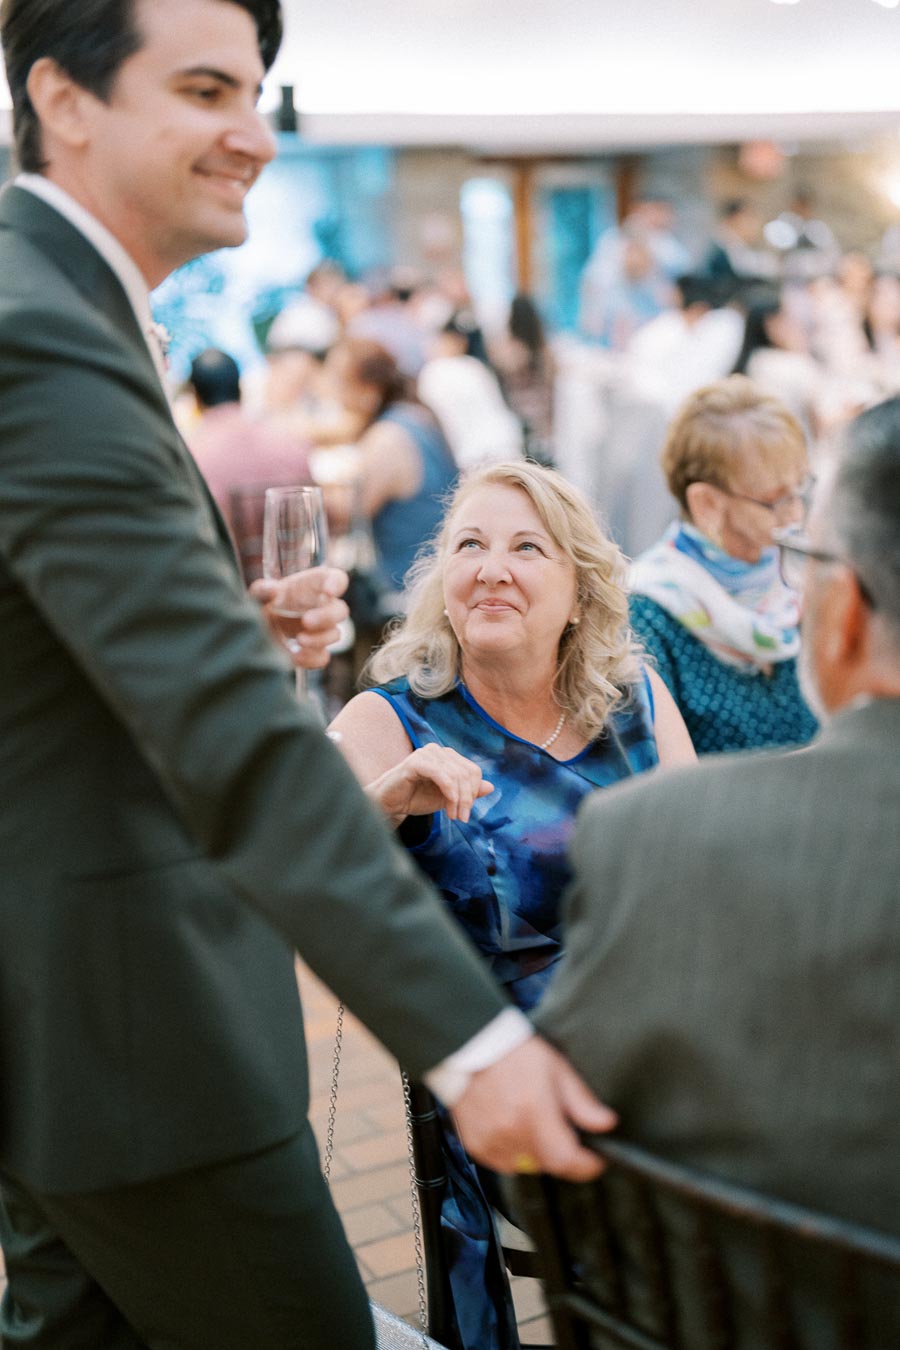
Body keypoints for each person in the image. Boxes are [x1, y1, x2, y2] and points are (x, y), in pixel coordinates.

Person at [0, 3, 616, 1348]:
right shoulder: (42, 331)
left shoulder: (55, 306)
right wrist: (475, 1042)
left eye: (256, 92)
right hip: (146, 1036)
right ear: (64, 99)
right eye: (206, 89)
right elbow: (236, 748)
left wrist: (225, 621)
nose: (254, 135)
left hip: (62, 1023)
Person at [536, 398, 900, 1338]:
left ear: (842, 614)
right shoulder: (653, 624)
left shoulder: (642, 841)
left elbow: (569, 1127)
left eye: (805, 528)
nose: (788, 530)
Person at [329, 460, 695, 1349]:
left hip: (664, 1043)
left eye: (527, 548)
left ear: (579, 593)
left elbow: (707, 877)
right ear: (443, 580)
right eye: (470, 545)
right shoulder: (389, 722)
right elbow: (299, 861)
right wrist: (388, 799)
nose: (492, 568)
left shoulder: (635, 703)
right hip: (511, 1078)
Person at [629, 376, 819, 754]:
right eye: (775, 500)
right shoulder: (646, 613)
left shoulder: (797, 581)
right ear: (707, 503)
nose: (796, 513)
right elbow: (658, 768)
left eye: (800, 489)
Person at [324, 335, 459, 602]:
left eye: (339, 382)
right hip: (435, 577)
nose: (332, 392)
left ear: (368, 390)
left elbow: (348, 513)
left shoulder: (387, 437)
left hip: (409, 592)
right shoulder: (414, 414)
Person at [185, 346, 312, 533]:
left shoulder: (191, 456)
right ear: (240, 388)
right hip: (291, 548)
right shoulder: (287, 439)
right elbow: (312, 507)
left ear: (195, 398)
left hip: (228, 552)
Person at [417, 310, 525, 472]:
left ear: (457, 341)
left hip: (470, 458)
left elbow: (440, 422)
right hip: (506, 448)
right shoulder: (476, 366)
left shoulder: (435, 371)